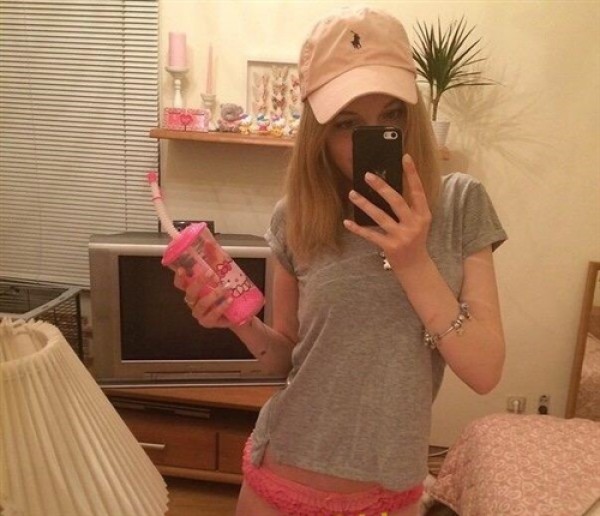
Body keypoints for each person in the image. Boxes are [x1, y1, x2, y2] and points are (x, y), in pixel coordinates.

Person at [176, 6, 507, 516]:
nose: (372, 138)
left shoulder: (460, 203)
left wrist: (412, 261)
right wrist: (234, 320)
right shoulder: (296, 216)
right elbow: (286, 359)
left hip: (387, 494)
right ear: (319, 135)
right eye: (347, 123)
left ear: (413, 115)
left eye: (392, 115)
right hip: (280, 477)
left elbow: (485, 370)